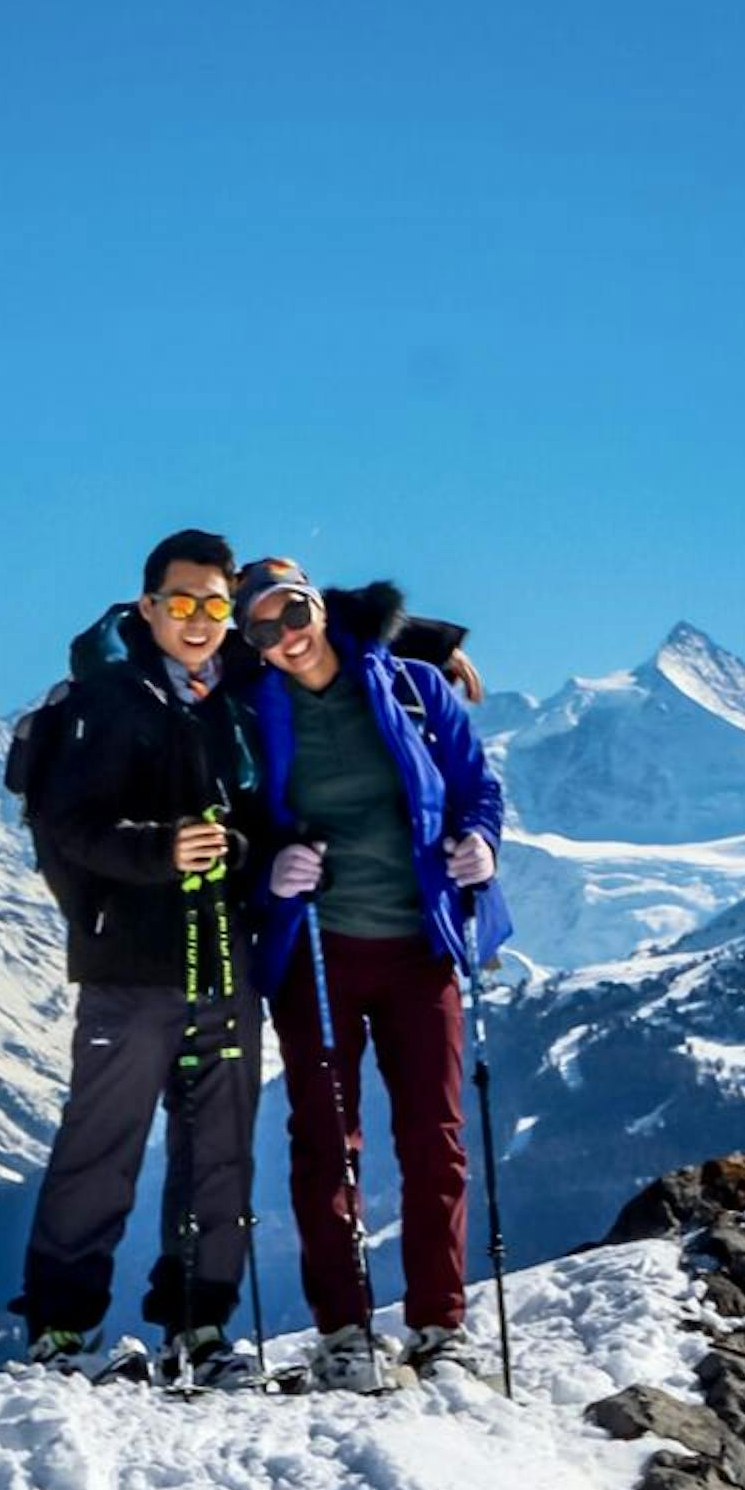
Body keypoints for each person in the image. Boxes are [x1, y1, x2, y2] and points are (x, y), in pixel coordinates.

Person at [236, 557, 512, 1392]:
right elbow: (235, 826)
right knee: (327, 1141)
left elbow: (477, 791)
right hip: (316, 950)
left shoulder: (417, 690)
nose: (286, 636)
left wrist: (482, 846)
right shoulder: (249, 714)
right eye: (263, 627)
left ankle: (440, 1325)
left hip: (421, 943)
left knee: (435, 1138)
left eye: (294, 612)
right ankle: (345, 1332)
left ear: (320, 605)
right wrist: (269, 867)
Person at [10, 529, 266, 1388]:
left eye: (215, 605)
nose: (199, 620)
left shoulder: (238, 696)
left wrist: (433, 652)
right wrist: (163, 850)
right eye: (182, 603)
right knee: (103, 1145)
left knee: (219, 1148)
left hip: (225, 965)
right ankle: (60, 1331)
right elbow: (67, 827)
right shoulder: (109, 703)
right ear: (149, 606)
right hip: (130, 970)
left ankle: (198, 1328)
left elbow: (322, 632)